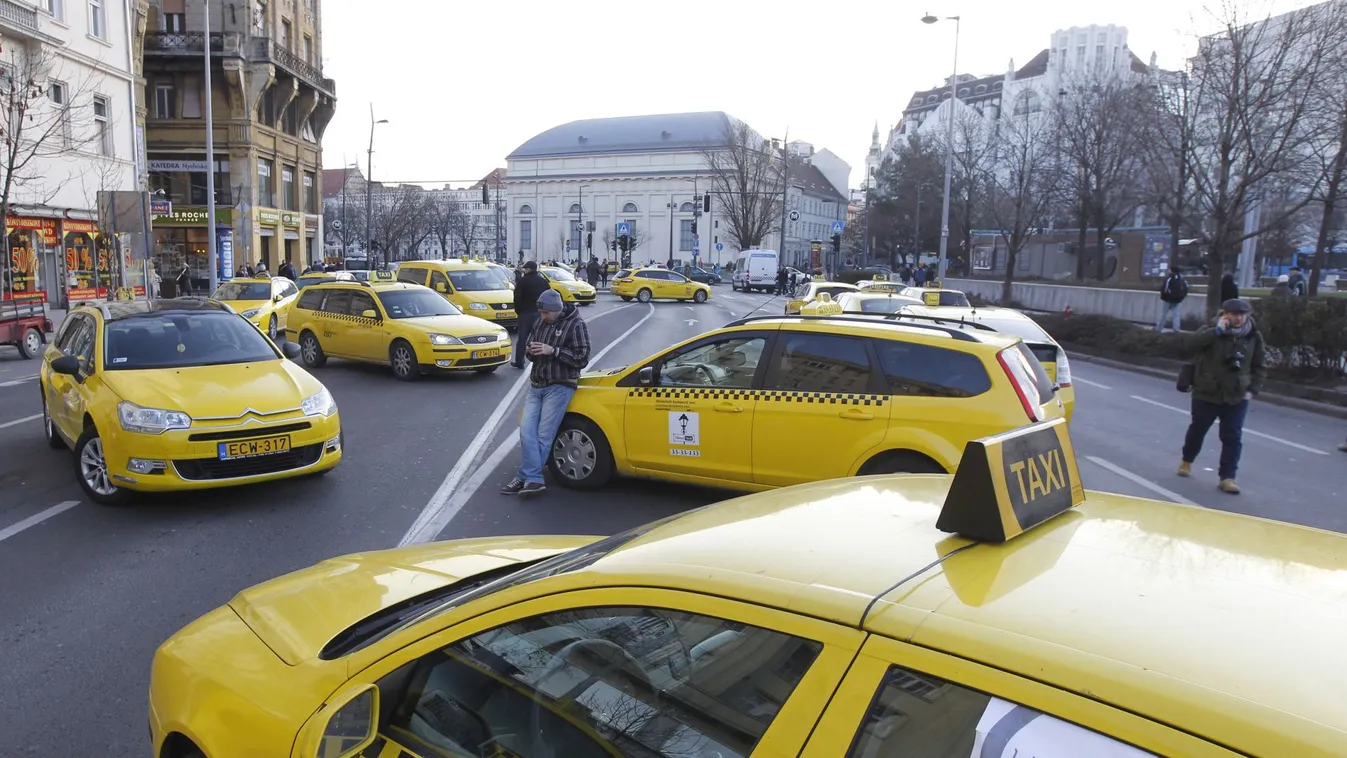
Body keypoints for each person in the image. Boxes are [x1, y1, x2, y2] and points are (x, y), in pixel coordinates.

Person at [502, 289, 591, 496]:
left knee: (543, 435)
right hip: (537, 383)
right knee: (526, 430)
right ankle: (531, 478)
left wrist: (554, 351)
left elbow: (583, 357)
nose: (542, 317)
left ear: (557, 310)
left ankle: (525, 477)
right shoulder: (540, 322)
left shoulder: (575, 325)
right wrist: (530, 351)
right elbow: (532, 350)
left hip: (560, 385)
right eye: (540, 313)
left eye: (545, 314)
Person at [1177, 298, 1266, 495]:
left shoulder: (1253, 336)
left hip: (1236, 395)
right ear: (1224, 314)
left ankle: (1227, 477)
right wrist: (1216, 331)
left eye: (1242, 315)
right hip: (1206, 392)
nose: (1238, 318)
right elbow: (1191, 345)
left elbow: (1260, 365)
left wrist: (1253, 389)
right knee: (1198, 429)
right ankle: (1187, 460)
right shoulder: (1210, 330)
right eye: (1234, 314)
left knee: (1232, 437)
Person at [511, 261, 550, 369]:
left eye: (525, 269)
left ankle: (520, 361)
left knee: (522, 338)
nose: (523, 270)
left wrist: (519, 311)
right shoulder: (543, 281)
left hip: (525, 313)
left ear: (528, 269)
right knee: (541, 337)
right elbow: (549, 296)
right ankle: (542, 360)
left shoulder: (522, 282)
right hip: (540, 313)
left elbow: (517, 298)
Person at [1156, 266, 1188, 332]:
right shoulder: (1182, 279)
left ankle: (1158, 329)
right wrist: (1182, 297)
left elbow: (1165, 289)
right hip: (1178, 300)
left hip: (1167, 300)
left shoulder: (1169, 278)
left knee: (1163, 315)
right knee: (1176, 315)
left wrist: (1163, 297)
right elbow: (1186, 289)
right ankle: (1176, 330)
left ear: (1172, 271)